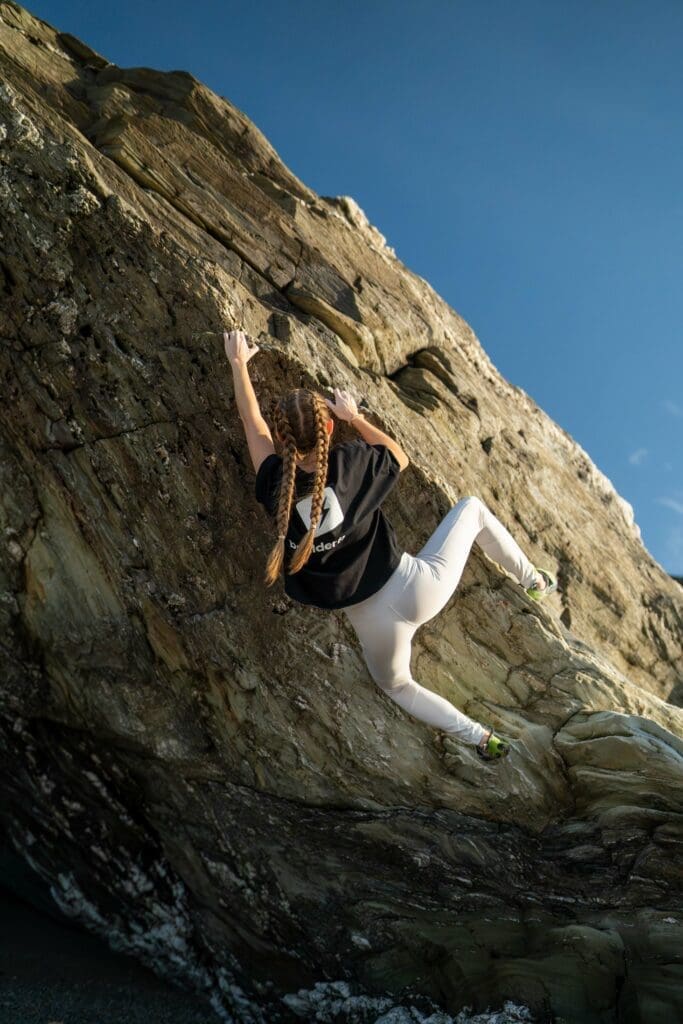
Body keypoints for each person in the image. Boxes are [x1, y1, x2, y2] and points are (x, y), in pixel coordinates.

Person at [226, 329, 557, 762]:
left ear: (283, 439)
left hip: (372, 623)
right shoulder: (349, 464)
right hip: (416, 587)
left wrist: (238, 365)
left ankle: (481, 739)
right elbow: (398, 456)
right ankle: (533, 581)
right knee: (473, 510)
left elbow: (252, 423)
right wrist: (353, 416)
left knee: (397, 686)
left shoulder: (274, 485)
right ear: (328, 428)